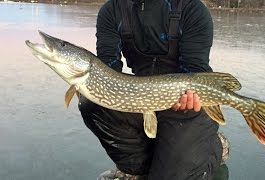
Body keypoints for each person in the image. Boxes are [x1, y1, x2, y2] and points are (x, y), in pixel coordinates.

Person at [78, 0, 229, 179]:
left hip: (185, 108)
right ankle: (138, 168)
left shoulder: (192, 8)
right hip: (143, 99)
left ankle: (215, 148)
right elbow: (108, 66)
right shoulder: (112, 10)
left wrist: (189, 98)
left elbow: (195, 69)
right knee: (91, 102)